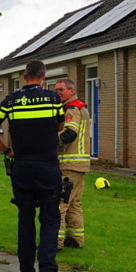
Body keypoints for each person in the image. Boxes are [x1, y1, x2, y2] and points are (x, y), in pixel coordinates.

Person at [0, 60, 65, 272]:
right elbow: (59, 125)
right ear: (44, 77)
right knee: (50, 222)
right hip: (48, 167)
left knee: (25, 220)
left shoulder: (11, 101)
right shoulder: (52, 99)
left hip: (22, 167)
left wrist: (6, 150)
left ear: (23, 76)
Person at [54, 78, 91, 249]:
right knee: (74, 202)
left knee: (59, 203)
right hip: (80, 164)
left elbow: (70, 133)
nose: (58, 92)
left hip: (69, 163)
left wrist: (48, 143)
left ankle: (55, 242)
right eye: (56, 90)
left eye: (61, 89)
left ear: (72, 91)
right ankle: (76, 239)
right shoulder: (80, 107)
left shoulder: (72, 108)